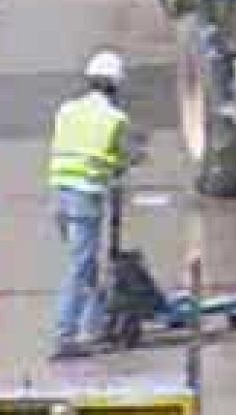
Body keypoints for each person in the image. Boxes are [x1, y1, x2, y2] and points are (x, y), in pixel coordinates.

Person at [48, 51, 132, 359]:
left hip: (59, 194)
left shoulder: (66, 110)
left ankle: (95, 325)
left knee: (84, 264)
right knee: (80, 267)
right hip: (86, 197)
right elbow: (118, 159)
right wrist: (125, 163)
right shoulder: (115, 119)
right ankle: (64, 335)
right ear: (116, 86)